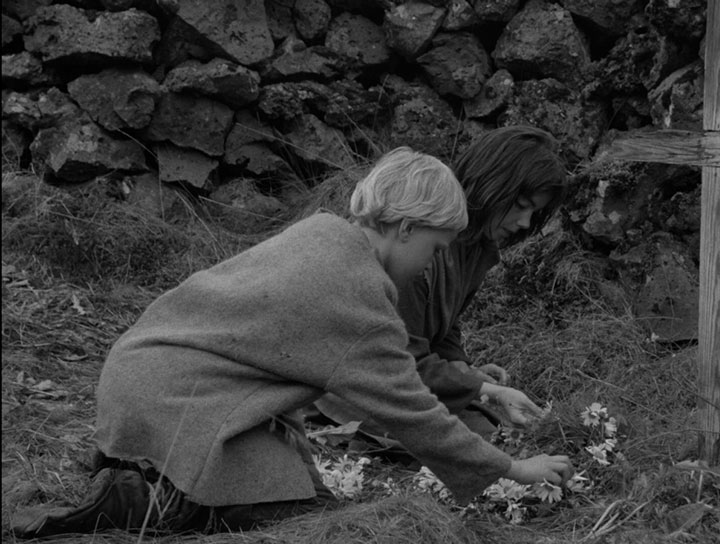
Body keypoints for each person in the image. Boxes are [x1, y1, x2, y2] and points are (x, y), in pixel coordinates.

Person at [11, 147, 574, 538]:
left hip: (142, 381)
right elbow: (413, 413)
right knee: (293, 512)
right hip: (174, 402)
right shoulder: (359, 301)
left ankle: (142, 468)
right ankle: (146, 499)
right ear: (405, 228)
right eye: (432, 247)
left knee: (296, 481)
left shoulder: (323, 234)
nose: (429, 265)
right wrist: (513, 469)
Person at [315, 126, 567, 442]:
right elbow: (401, 361)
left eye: (535, 212)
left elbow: (444, 325)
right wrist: (483, 389)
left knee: (497, 428)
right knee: (483, 441)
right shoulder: (415, 255)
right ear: (492, 182)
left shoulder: (477, 247)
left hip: (406, 379)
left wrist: (464, 370)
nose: (525, 223)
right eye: (520, 204)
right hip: (357, 391)